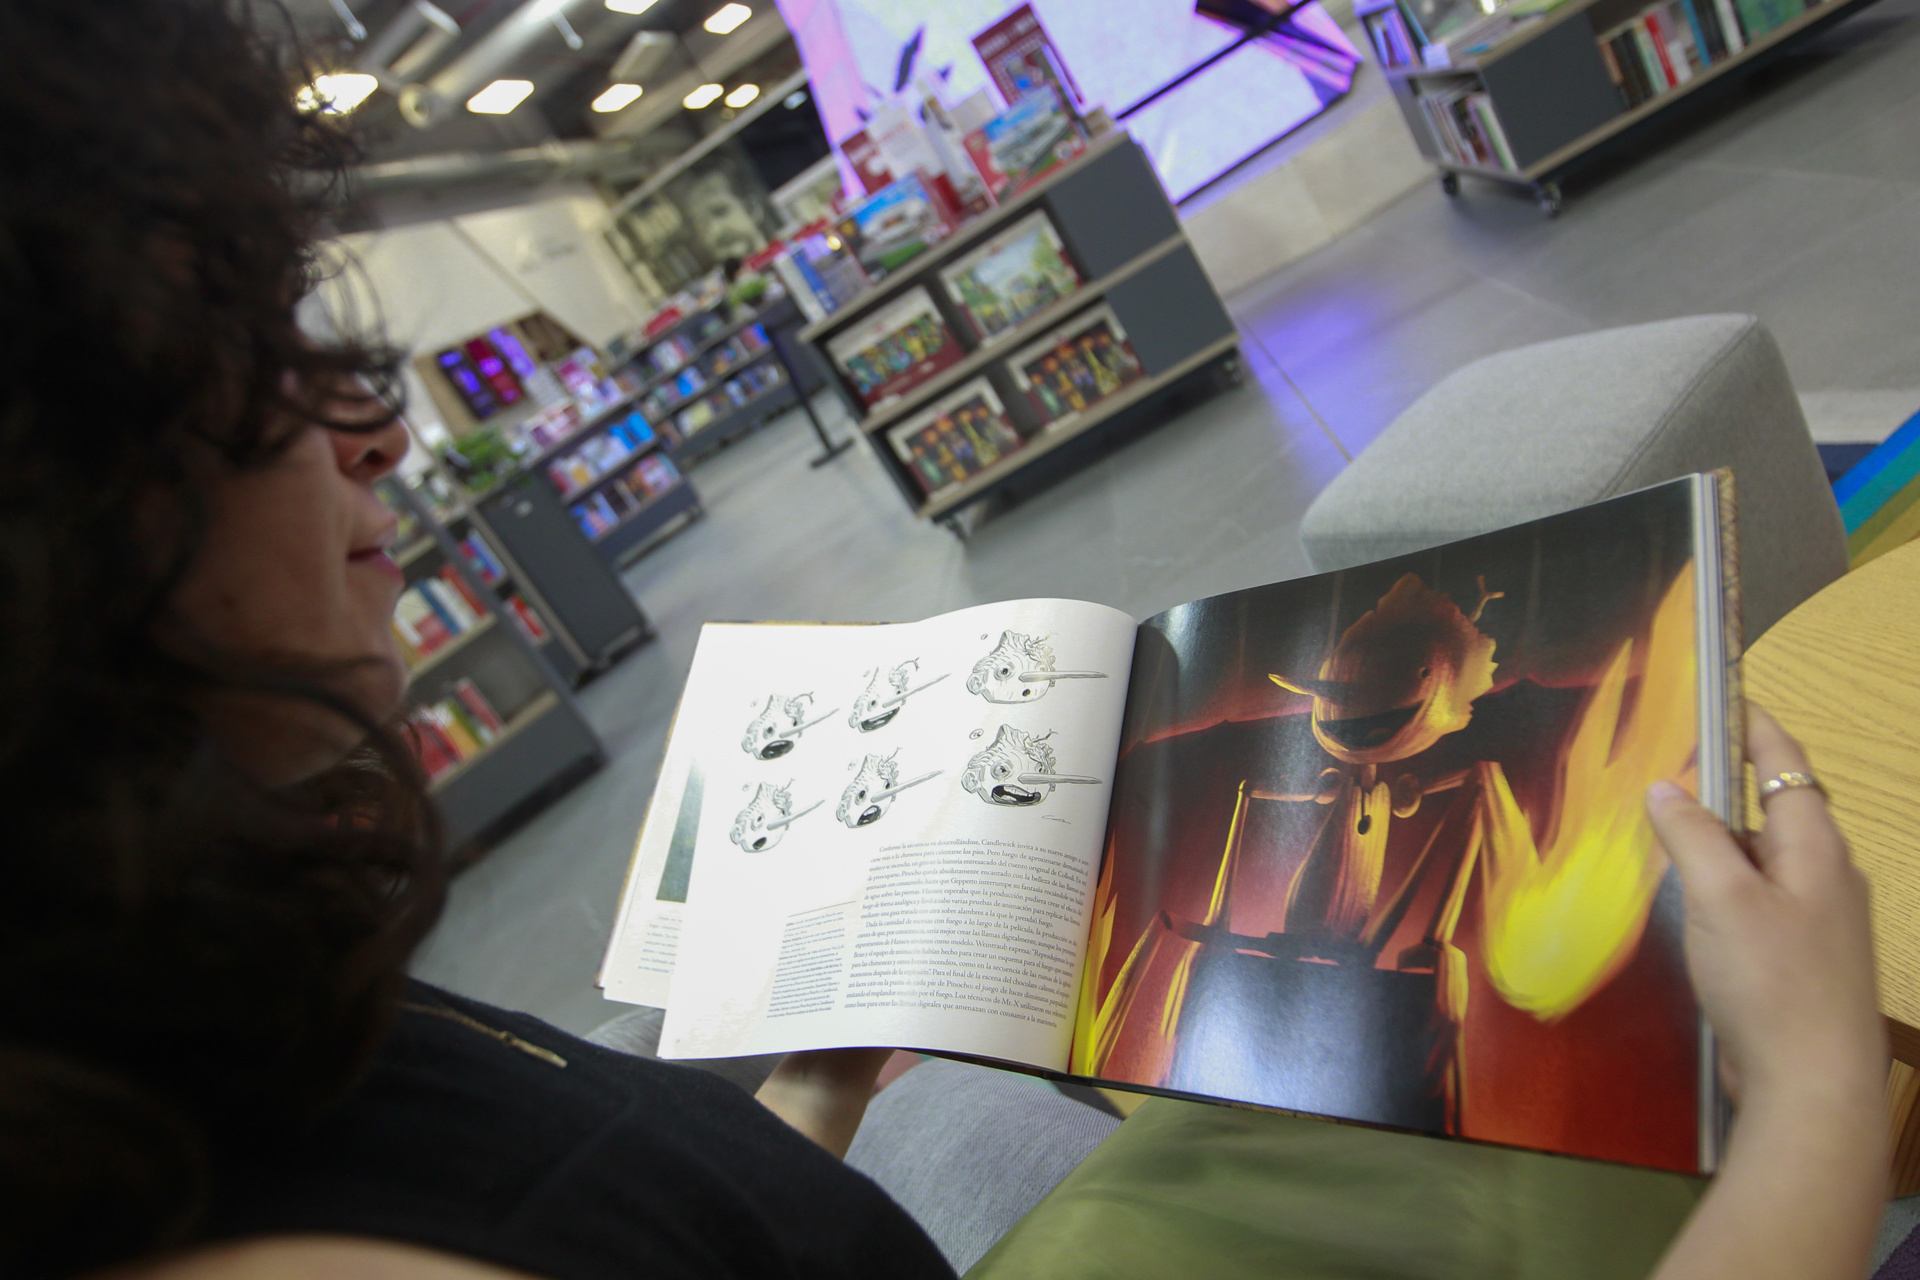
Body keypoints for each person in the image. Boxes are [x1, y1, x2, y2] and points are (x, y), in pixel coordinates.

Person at [0, 4, 1890, 1280]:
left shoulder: (179, 1009)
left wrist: (810, 1082)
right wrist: (1808, 1107)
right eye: (248, 366)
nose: (374, 431)